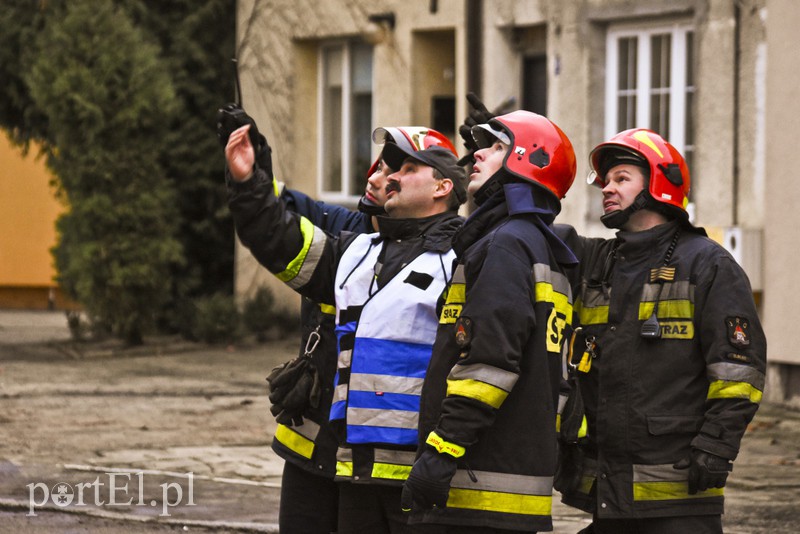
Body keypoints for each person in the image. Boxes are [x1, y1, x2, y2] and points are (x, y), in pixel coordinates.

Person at [224, 122, 467, 533]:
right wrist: (248, 182)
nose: (389, 176)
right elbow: (279, 238)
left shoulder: (466, 259)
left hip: (416, 474)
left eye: (408, 169)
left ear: (442, 187)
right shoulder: (355, 250)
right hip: (352, 468)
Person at [555, 128, 767, 534]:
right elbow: (537, 238)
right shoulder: (597, 262)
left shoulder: (707, 264)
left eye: (621, 179)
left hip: (679, 493)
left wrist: (717, 446)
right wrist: (509, 169)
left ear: (658, 184)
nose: (607, 189)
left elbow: (739, 370)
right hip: (609, 492)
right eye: (605, 181)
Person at [400, 110, 579, 533]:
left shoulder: (506, 245)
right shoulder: (541, 246)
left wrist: (442, 451)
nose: (476, 155)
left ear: (527, 162)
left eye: (496, 146)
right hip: (515, 483)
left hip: (477, 482)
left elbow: (488, 363)